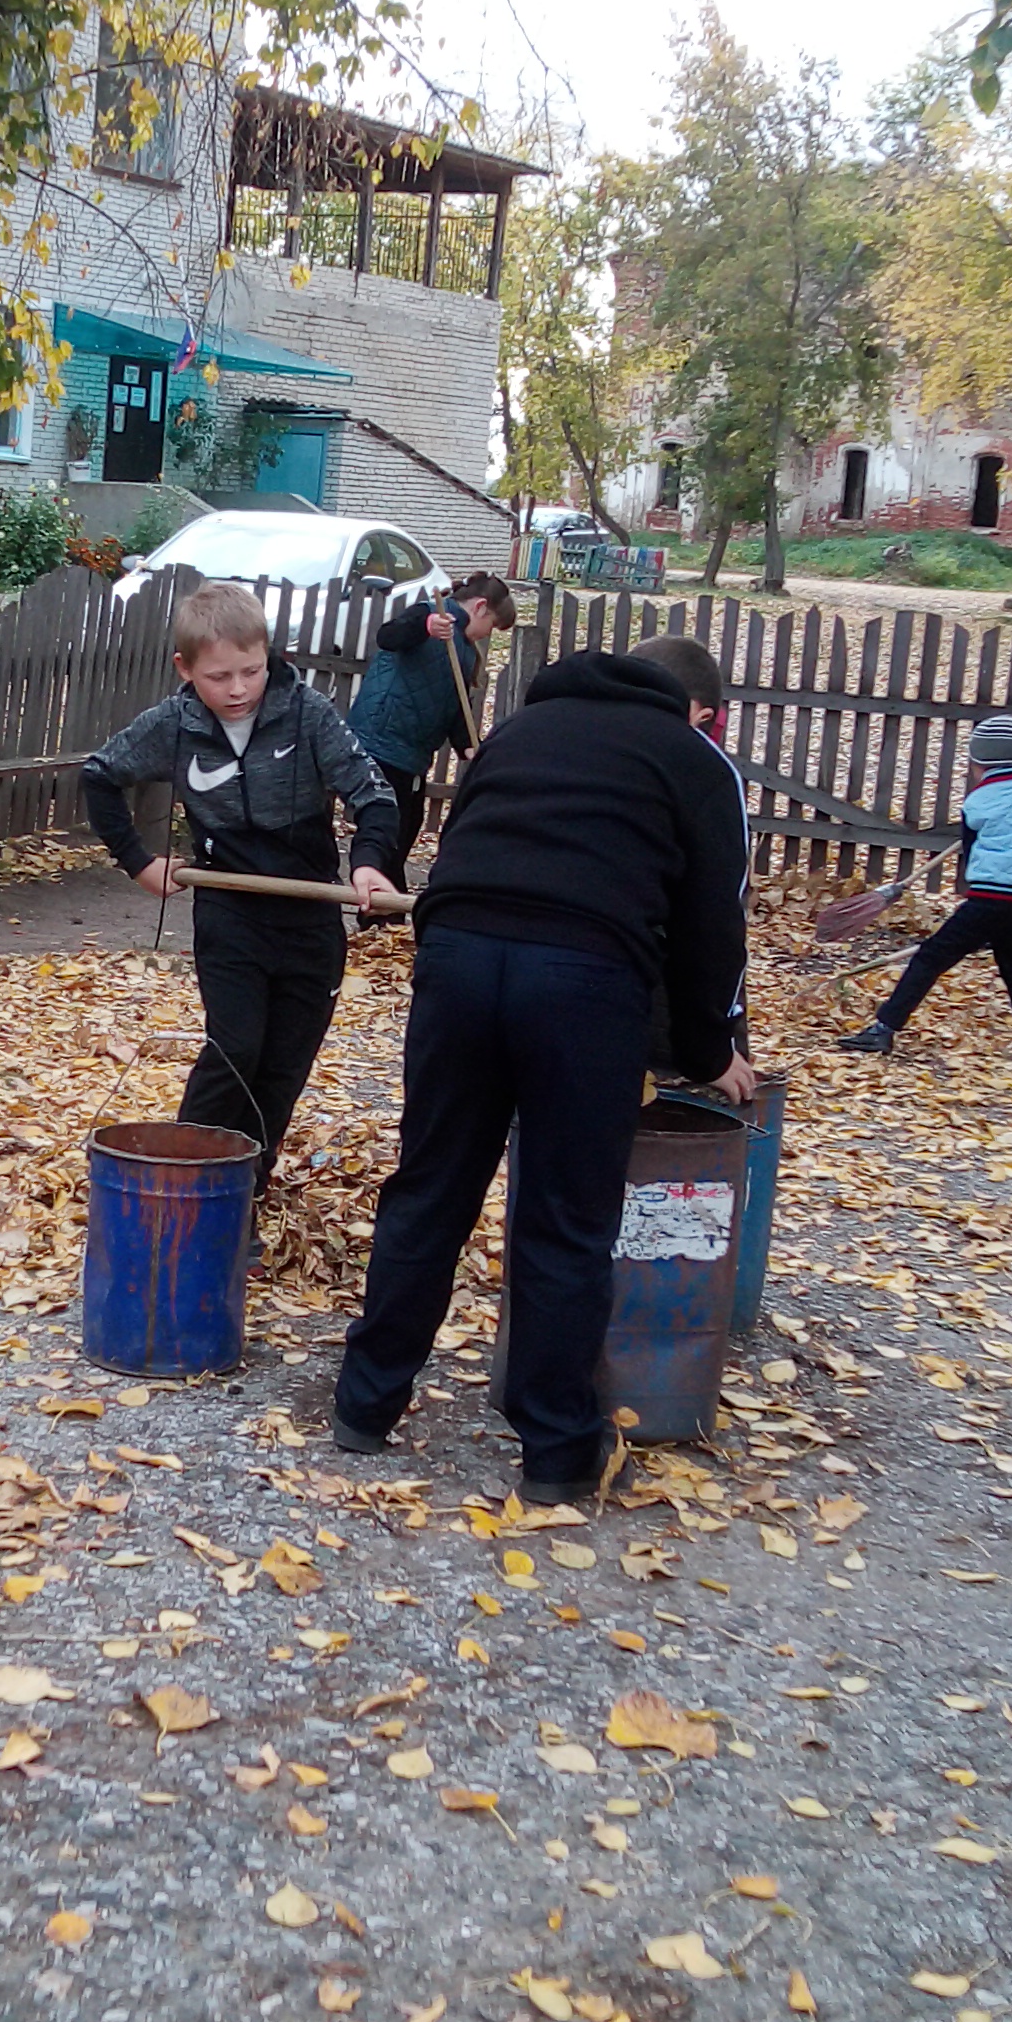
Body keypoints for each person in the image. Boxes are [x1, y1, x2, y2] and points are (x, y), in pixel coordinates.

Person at [330, 631, 754, 1501]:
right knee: (564, 1219)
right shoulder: (692, 759)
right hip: (582, 981)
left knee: (432, 1186)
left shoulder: (521, 732)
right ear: (696, 708)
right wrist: (711, 1051)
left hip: (456, 958)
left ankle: (364, 1406)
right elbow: (712, 927)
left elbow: (469, 846)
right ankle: (557, 1453)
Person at [81, 580, 400, 1191]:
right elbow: (101, 775)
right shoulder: (175, 724)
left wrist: (368, 860)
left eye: (250, 672)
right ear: (186, 667)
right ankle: (182, 1179)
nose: (237, 690)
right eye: (219, 676)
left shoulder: (307, 713)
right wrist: (138, 862)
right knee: (236, 1050)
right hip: (230, 912)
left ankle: (248, 1183)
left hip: (309, 914)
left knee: (284, 1063)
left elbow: (372, 791)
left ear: (268, 656)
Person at [831, 712, 1012, 1060]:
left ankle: (883, 1030)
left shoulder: (980, 800)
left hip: (991, 897)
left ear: (979, 763)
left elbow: (972, 855)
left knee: (931, 957)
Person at [346, 569, 516, 848]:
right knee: (388, 830)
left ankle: (384, 886)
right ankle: (374, 885)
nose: (488, 634)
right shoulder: (426, 613)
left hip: (412, 755)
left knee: (410, 825)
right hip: (381, 743)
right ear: (480, 607)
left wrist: (468, 747)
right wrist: (425, 627)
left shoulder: (466, 651)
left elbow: (455, 706)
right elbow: (388, 637)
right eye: (493, 626)